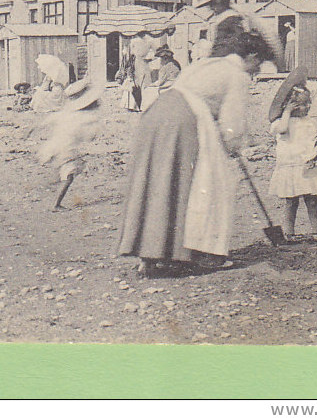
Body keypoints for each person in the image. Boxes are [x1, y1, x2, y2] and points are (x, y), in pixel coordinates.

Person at [118, 17, 276, 278]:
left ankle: (151, 256)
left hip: (157, 114)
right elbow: (232, 125)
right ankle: (205, 255)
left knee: (160, 184)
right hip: (186, 120)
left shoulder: (207, 64)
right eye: (258, 63)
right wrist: (233, 145)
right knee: (210, 185)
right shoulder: (236, 75)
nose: (257, 71)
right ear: (250, 56)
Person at [267, 74, 317, 242]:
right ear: (291, 105)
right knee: (291, 201)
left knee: (312, 199)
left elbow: (314, 139)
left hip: (305, 165)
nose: (307, 107)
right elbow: (282, 129)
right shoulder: (281, 123)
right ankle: (289, 233)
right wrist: (286, 112)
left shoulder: (307, 122)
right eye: (302, 105)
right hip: (290, 166)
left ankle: (316, 231)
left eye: (309, 104)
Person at [28, 78, 104, 211]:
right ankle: (56, 204)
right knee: (69, 176)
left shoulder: (67, 113)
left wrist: (33, 129)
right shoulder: (87, 119)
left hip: (55, 147)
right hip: (67, 149)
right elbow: (89, 137)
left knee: (65, 172)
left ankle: (54, 187)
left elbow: (49, 120)